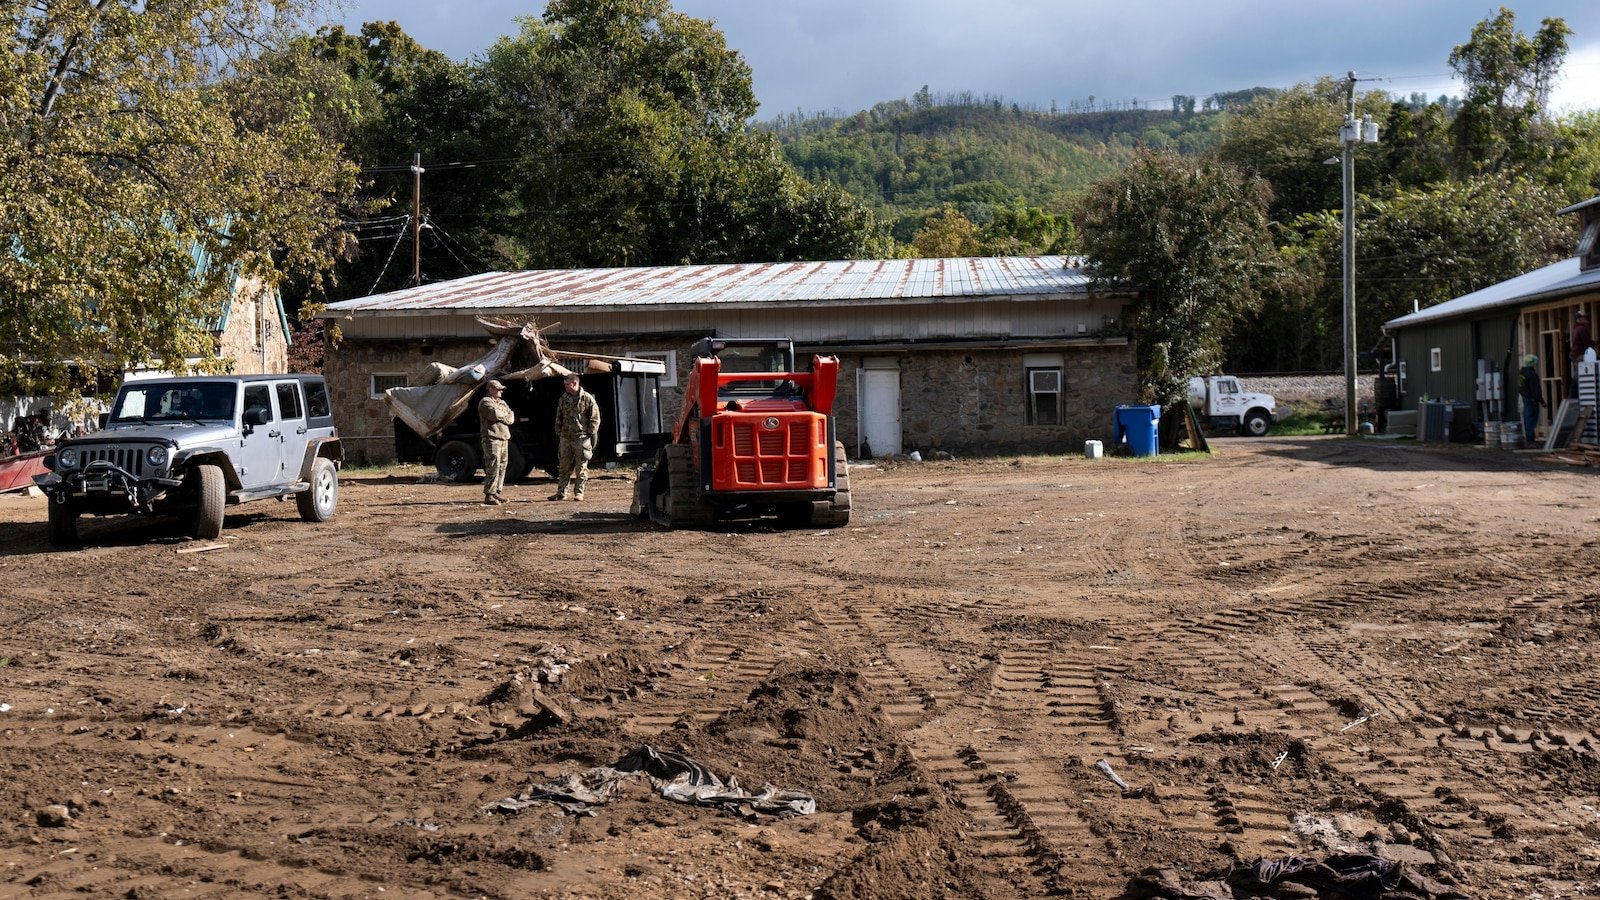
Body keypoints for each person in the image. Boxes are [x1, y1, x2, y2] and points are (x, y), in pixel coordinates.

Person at [550, 372, 600, 501]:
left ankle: (579, 492)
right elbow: (558, 417)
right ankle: (561, 492)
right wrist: (559, 432)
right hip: (566, 438)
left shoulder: (587, 398)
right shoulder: (563, 398)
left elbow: (595, 418)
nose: (565, 387)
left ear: (575, 383)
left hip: (581, 437)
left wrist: (589, 433)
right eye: (565, 384)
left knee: (581, 467)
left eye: (567, 384)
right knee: (563, 466)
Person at [478, 379, 514, 506]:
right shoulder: (485, 402)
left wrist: (504, 415)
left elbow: (511, 417)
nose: (501, 392)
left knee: (502, 466)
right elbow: (494, 414)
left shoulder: (502, 403)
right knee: (493, 465)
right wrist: (505, 415)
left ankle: (497, 492)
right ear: (491, 389)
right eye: (498, 389)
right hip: (491, 438)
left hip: (503, 437)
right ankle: (489, 494)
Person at [1520, 354, 1545, 443]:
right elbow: (1536, 389)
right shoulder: (1532, 374)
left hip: (1525, 398)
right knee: (1532, 419)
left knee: (1527, 419)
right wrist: (1541, 401)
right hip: (1532, 399)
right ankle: (1530, 440)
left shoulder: (1521, 373)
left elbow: (1520, 386)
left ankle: (1529, 439)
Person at [1572, 309, 1592, 388]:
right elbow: (1587, 343)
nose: (1586, 319)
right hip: (1580, 355)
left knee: (1578, 375)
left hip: (1576, 355)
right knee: (1584, 375)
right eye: (1584, 317)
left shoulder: (1576, 328)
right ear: (1579, 320)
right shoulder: (1581, 329)